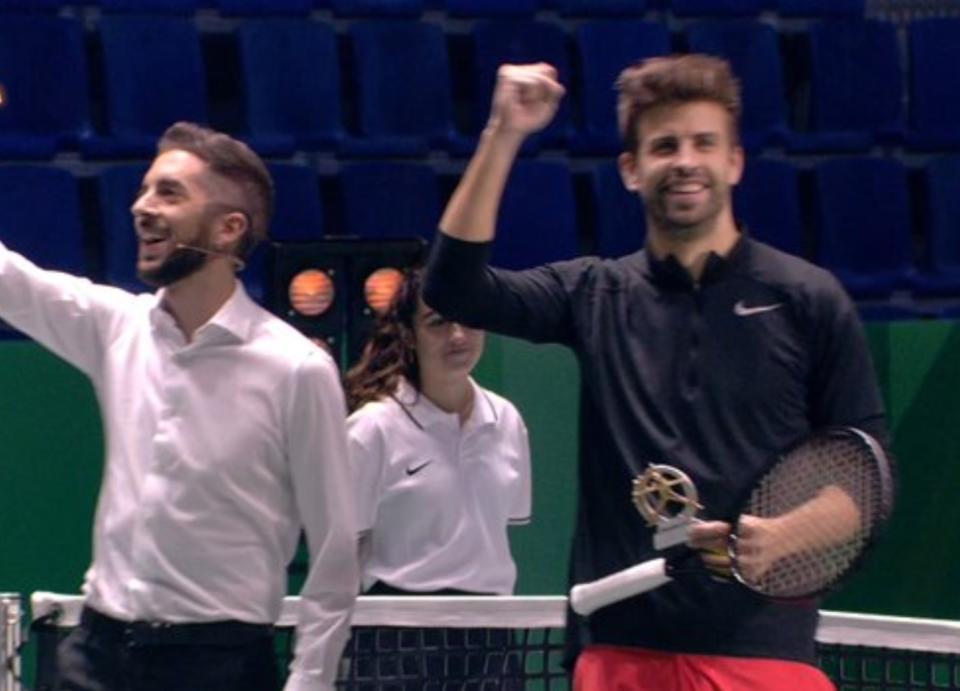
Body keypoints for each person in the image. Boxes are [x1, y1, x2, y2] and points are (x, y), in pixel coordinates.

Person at [422, 55, 889, 690]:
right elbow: (454, 287)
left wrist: (780, 538)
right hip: (621, 646)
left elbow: (864, 480)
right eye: (664, 146)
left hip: (764, 654)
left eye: (704, 143)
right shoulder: (594, 293)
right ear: (631, 170)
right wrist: (503, 132)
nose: (685, 161)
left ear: (735, 162)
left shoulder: (809, 299)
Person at [0, 122, 357, 691]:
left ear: (228, 228)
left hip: (219, 667)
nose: (142, 207)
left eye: (170, 193)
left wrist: (309, 682)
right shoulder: (115, 327)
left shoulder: (297, 371)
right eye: (144, 190)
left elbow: (337, 551)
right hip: (92, 657)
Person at [342, 269, 530, 686]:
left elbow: (497, 531)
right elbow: (342, 548)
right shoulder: (372, 428)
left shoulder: (508, 421)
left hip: (492, 640)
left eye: (468, 319)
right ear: (410, 333)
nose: (458, 336)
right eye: (438, 323)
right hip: (396, 641)